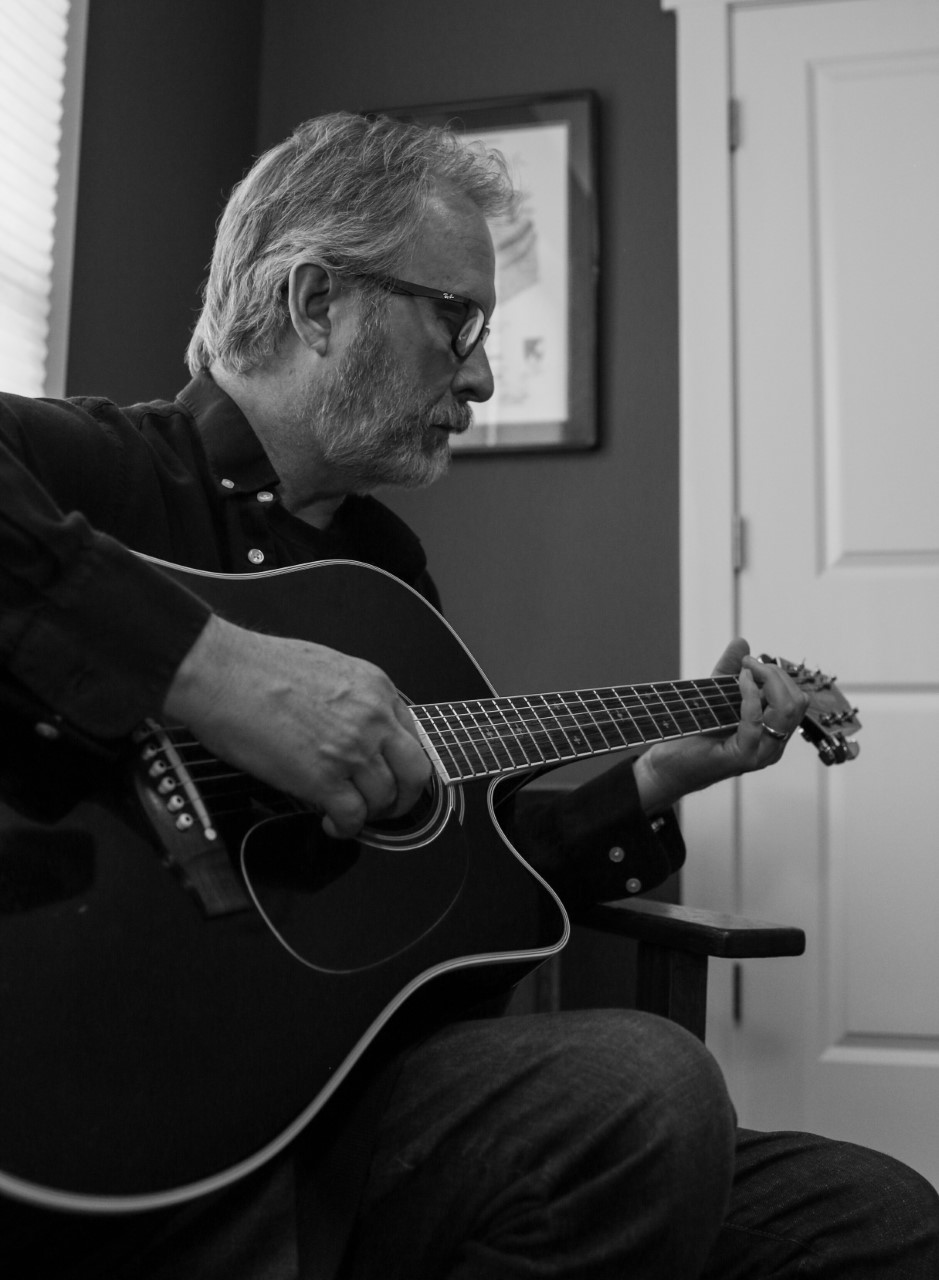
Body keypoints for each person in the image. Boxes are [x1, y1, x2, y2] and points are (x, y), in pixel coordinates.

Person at [1, 111, 936, 1279]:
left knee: (882, 1215)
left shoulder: (386, 578)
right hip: (140, 1097)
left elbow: (442, 892)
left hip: (369, 1096)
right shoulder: (106, 473)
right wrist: (211, 669)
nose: (484, 373)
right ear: (313, 300)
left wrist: (654, 776)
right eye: (459, 317)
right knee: (647, 1085)